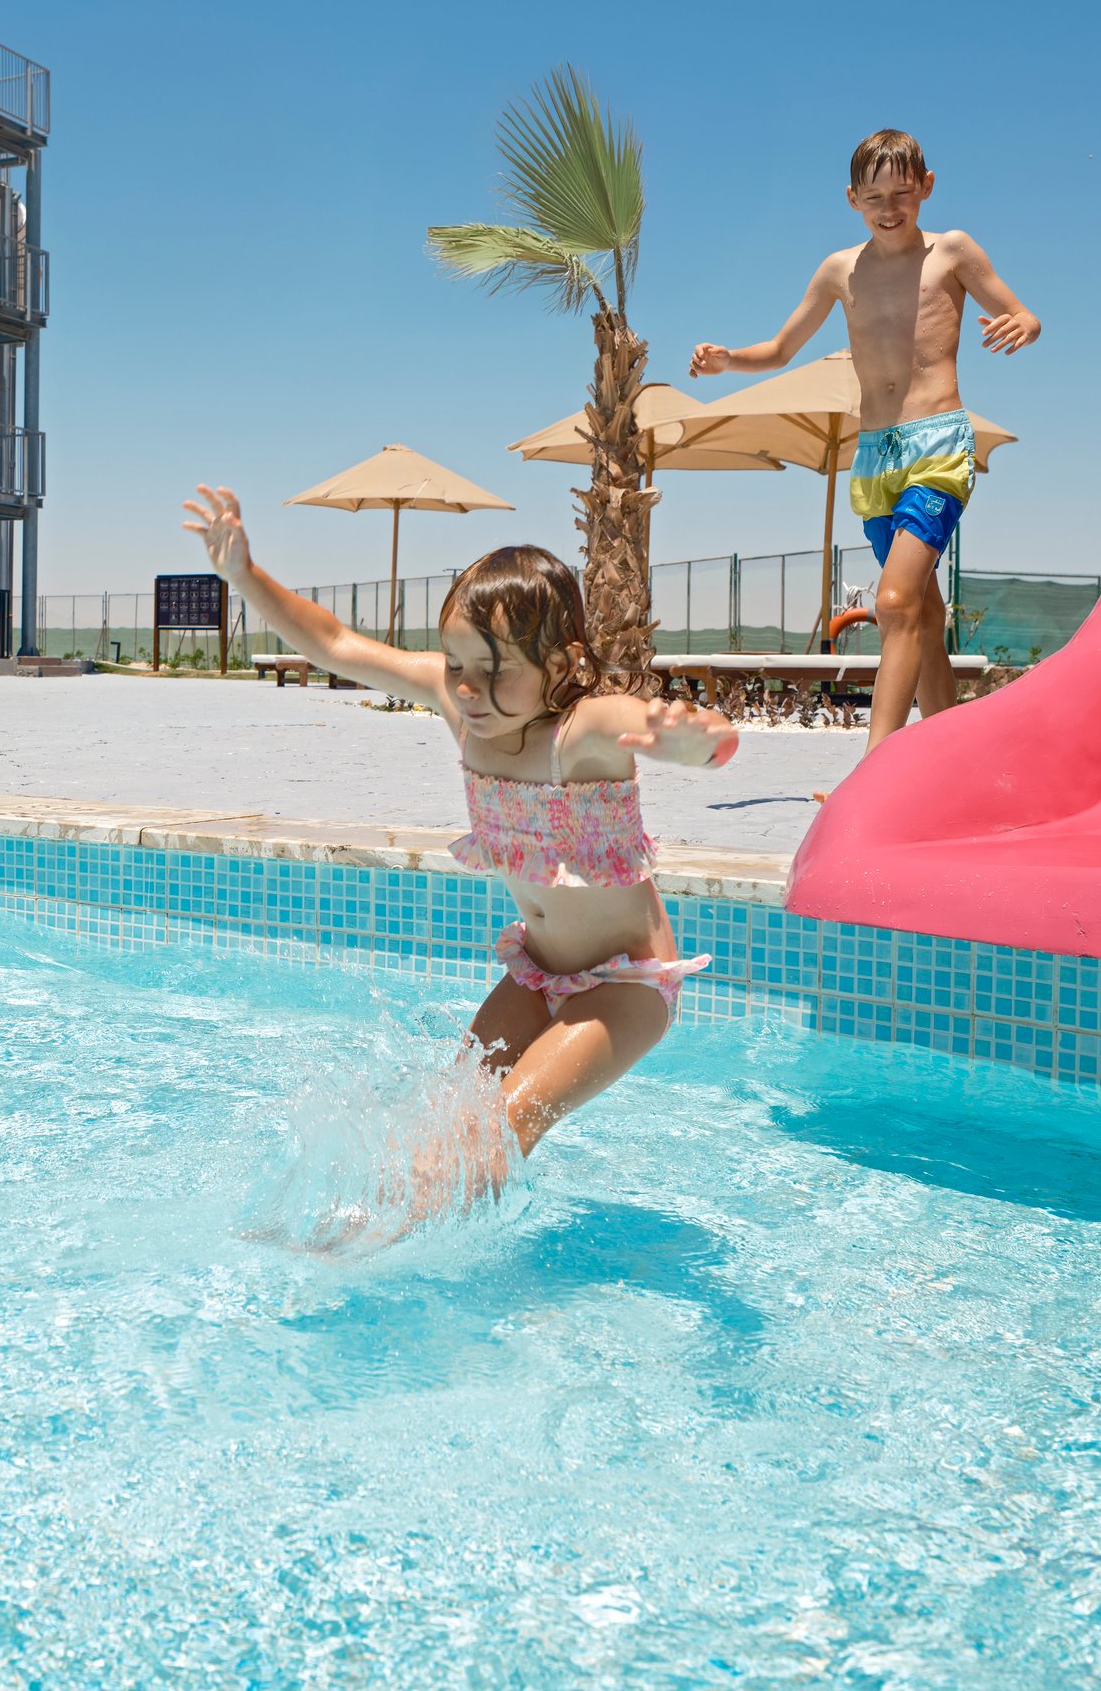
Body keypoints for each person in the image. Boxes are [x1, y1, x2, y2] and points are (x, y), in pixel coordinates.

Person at [181, 492, 736, 1230]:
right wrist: (246, 577)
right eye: (456, 664)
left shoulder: (582, 731)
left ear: (561, 663)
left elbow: (653, 728)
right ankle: (375, 1228)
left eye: (495, 669)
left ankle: (376, 1253)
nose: (469, 688)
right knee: (444, 1121)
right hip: (536, 974)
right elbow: (337, 644)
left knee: (495, 1127)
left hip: (625, 989)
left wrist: (695, 739)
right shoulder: (461, 707)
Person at [691, 128, 1040, 754]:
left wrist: (1024, 324)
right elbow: (778, 349)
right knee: (924, 619)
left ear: (926, 187)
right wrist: (727, 362)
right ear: (852, 199)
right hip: (875, 455)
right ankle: (941, 764)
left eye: (902, 191)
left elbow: (1024, 313)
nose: (889, 207)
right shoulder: (838, 270)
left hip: (937, 444)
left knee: (896, 602)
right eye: (875, 196)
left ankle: (878, 766)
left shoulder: (952, 252)